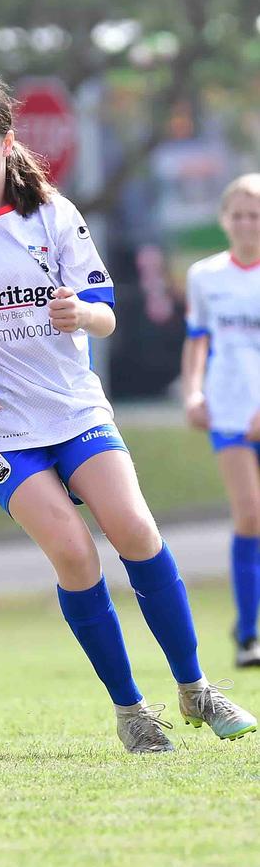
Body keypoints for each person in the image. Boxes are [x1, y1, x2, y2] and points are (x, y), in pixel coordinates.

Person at [0, 75, 257, 753]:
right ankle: (131, 711)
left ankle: (196, 689)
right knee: (72, 551)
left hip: (73, 406)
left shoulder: (54, 213)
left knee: (135, 529)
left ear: (6, 143)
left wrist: (78, 313)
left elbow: (105, 315)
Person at [182, 173, 260, 669]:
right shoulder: (205, 275)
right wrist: (193, 391)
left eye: (255, 215)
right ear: (224, 220)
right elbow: (197, 338)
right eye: (239, 215)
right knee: (250, 514)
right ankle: (248, 634)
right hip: (230, 410)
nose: (247, 224)